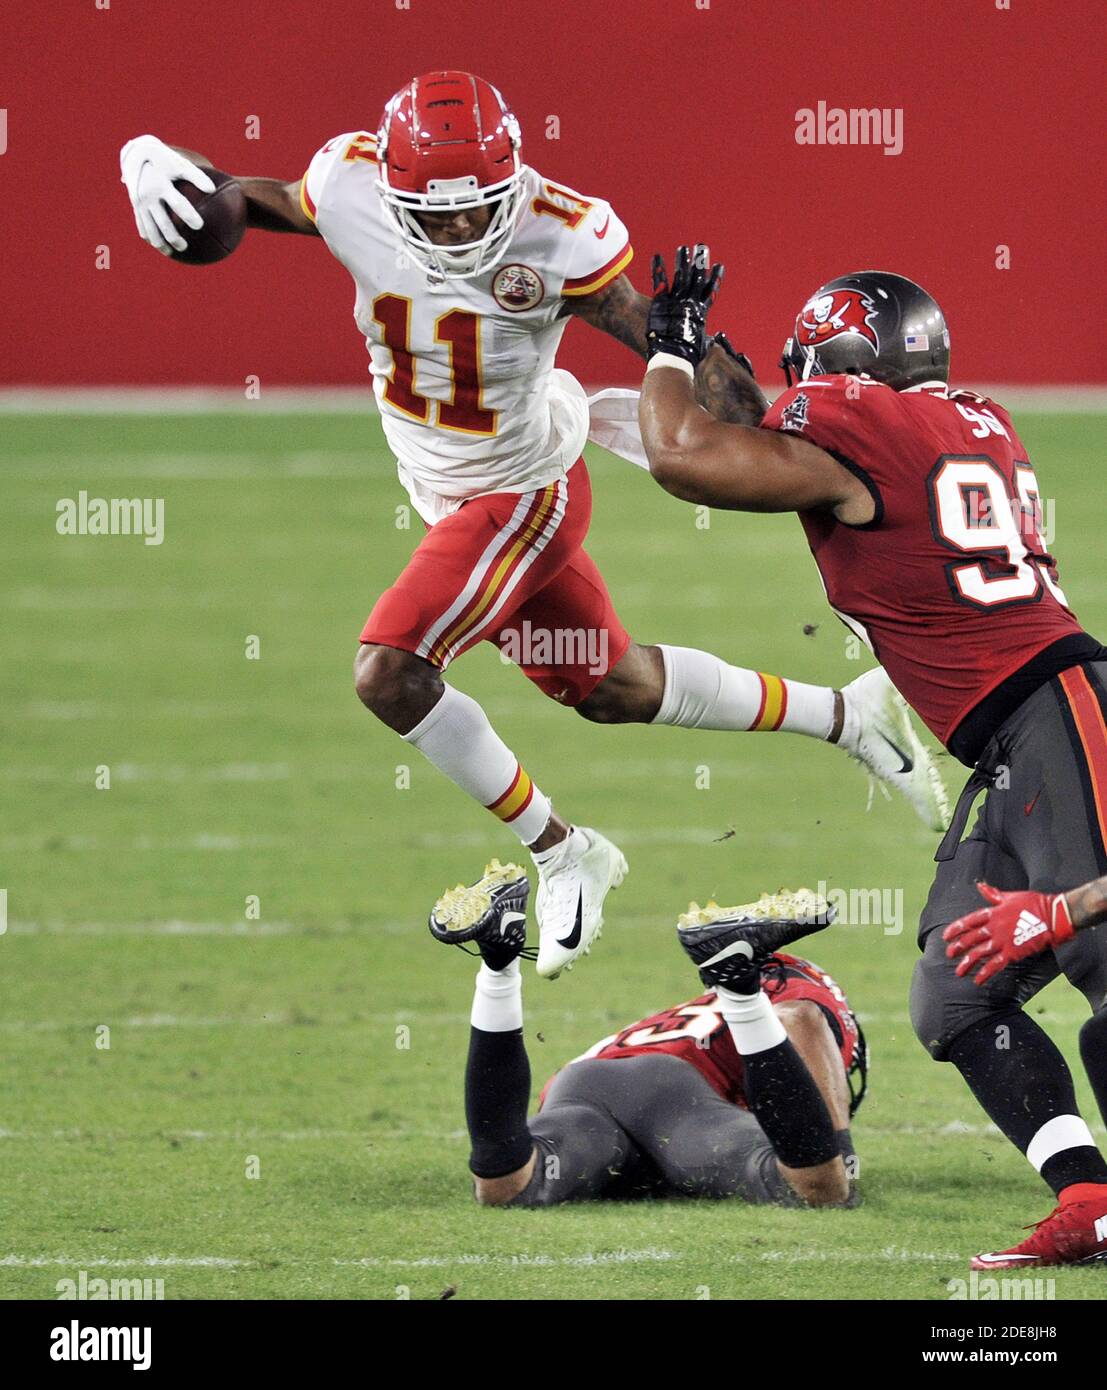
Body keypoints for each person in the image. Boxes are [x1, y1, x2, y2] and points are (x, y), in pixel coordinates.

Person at [119, 77, 946, 980]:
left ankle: (561, 852)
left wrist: (697, 349)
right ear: (390, 192)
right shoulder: (349, 182)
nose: (457, 235)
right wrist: (169, 174)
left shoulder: (559, 234)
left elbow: (716, 392)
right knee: (613, 688)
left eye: (476, 212)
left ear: (510, 181)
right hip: (444, 486)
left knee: (389, 672)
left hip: (520, 490)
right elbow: (256, 202)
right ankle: (849, 716)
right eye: (432, 219)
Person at [631, 245, 1107, 1267]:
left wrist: (668, 348)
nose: (803, 387)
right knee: (957, 989)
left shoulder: (855, 428)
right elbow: (761, 419)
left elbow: (681, 453)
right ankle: (1087, 1195)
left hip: (1058, 712)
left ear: (844, 365)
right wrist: (657, 331)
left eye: (815, 367)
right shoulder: (955, 418)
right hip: (1015, 734)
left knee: (1103, 955)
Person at [430, 862, 864, 1207]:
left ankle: (499, 957)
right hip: (672, 1099)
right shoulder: (803, 985)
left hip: (582, 1086)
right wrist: (839, 1151)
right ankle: (736, 983)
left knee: (508, 1185)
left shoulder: (688, 1014)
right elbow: (800, 1017)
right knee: (818, 1189)